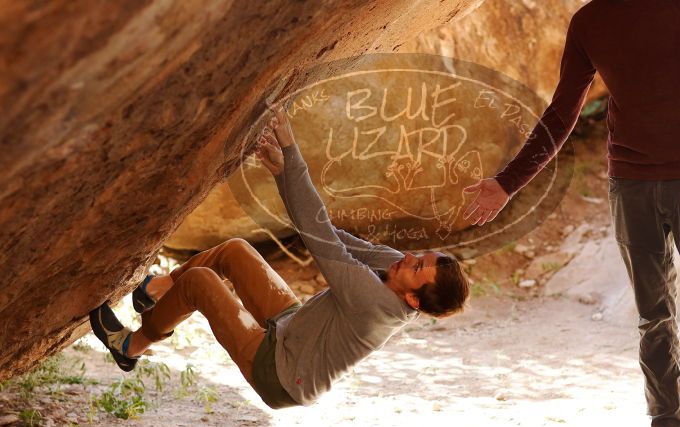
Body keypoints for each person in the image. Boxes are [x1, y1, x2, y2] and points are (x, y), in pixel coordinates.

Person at [463, 0, 680, 427]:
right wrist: (507, 183)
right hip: (630, 182)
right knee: (652, 313)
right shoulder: (589, 22)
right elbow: (562, 113)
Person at [90, 107, 470, 409]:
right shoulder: (395, 266)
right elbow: (328, 232)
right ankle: (156, 290)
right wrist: (282, 174)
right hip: (293, 326)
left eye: (417, 267)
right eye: (420, 256)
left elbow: (319, 236)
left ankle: (131, 346)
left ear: (413, 300)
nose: (409, 258)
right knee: (234, 251)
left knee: (199, 283)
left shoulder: (373, 305)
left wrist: (291, 151)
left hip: (281, 374)